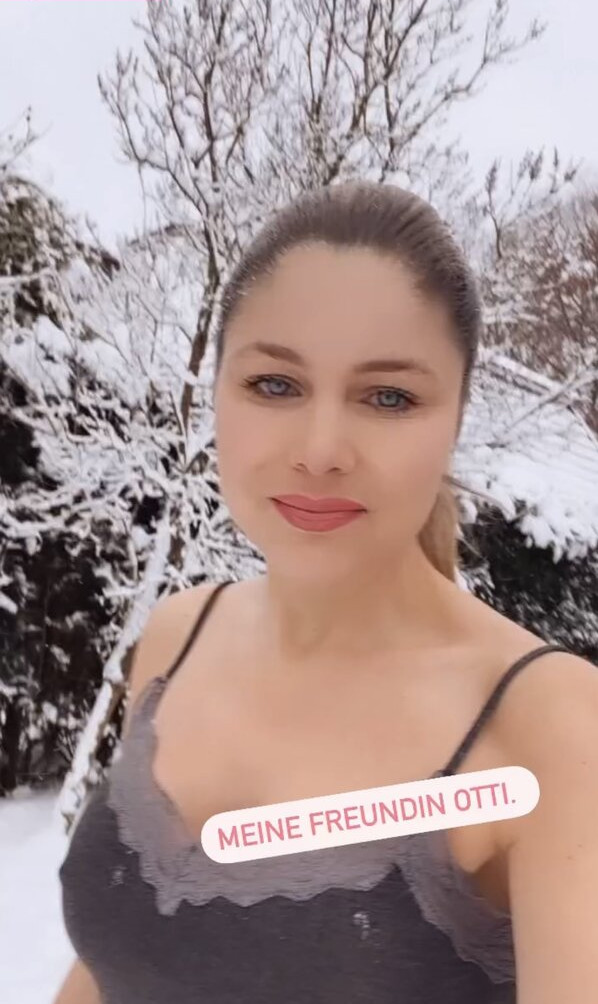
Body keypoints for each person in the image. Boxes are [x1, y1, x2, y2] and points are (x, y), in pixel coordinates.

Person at [55, 180, 598, 1004]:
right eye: (275, 384)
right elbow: (113, 967)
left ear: (455, 419)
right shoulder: (179, 636)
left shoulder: (550, 726)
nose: (320, 450)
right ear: (217, 387)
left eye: (389, 398)